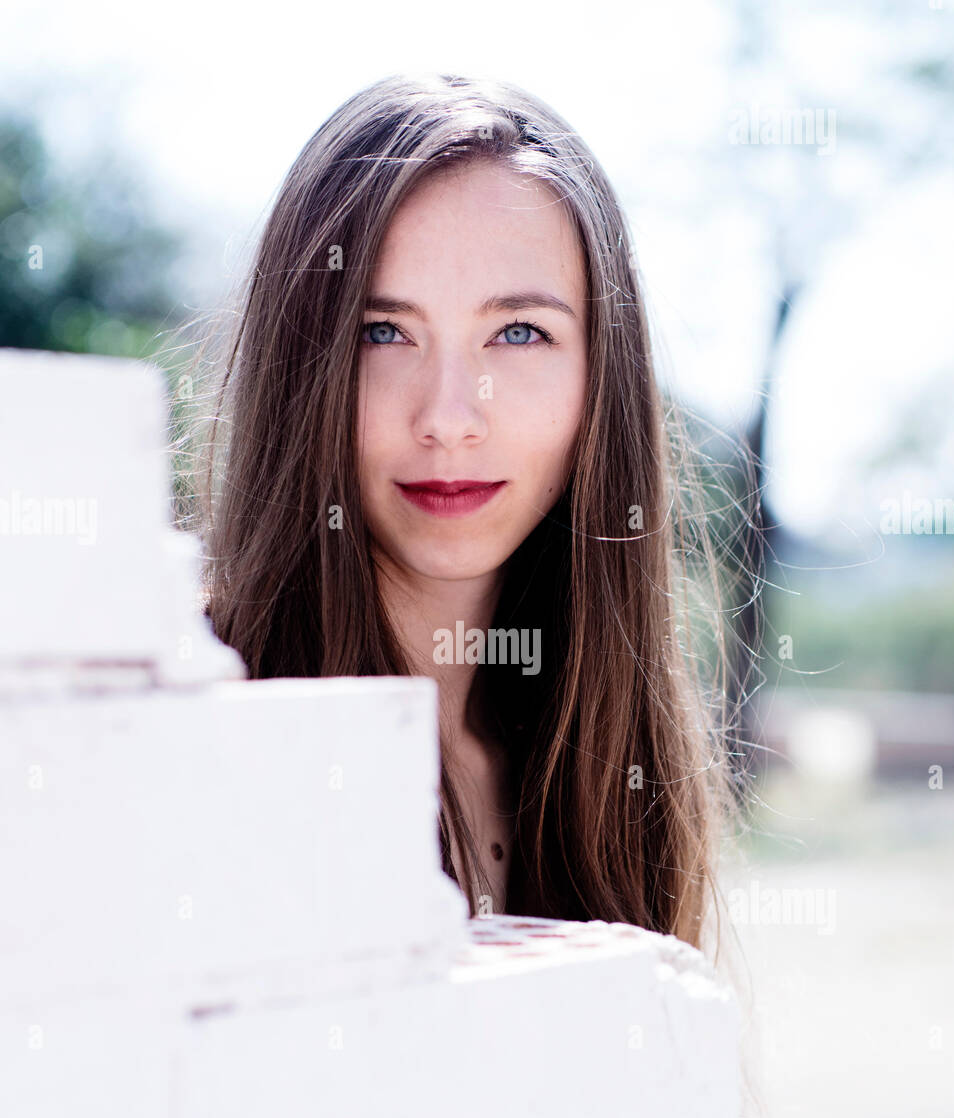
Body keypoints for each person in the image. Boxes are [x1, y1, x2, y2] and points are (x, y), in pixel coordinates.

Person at [185, 73, 739, 948]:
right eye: (381, 331)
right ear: (302, 365)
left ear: (601, 377)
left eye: (518, 333)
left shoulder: (599, 762)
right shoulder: (182, 725)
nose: (448, 417)